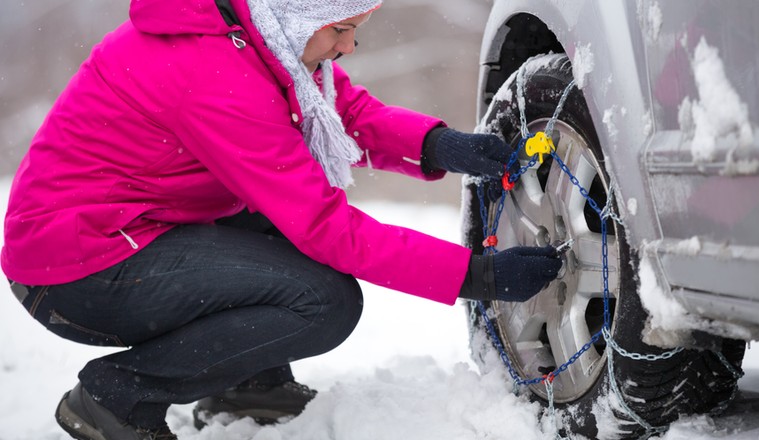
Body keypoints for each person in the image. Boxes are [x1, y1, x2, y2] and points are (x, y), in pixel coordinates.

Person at [1, 0, 562, 438]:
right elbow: (326, 228)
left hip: (129, 231)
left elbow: (343, 113)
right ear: (300, 14)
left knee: (274, 235)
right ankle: (116, 397)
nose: (349, 45)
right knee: (322, 303)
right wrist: (476, 277)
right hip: (78, 266)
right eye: (340, 28)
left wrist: (440, 146)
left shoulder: (255, 39)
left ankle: (252, 385)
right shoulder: (212, 72)